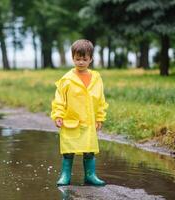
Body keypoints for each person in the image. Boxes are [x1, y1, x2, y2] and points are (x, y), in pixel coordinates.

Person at [51, 39, 108, 186]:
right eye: (77, 59)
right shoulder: (67, 79)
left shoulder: (96, 78)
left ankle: (90, 175)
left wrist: (100, 118)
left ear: (91, 59)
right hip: (71, 122)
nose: (81, 62)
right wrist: (58, 115)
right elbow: (59, 99)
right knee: (68, 151)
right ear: (72, 58)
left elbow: (101, 99)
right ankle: (65, 175)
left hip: (89, 123)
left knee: (89, 150)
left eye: (84, 59)